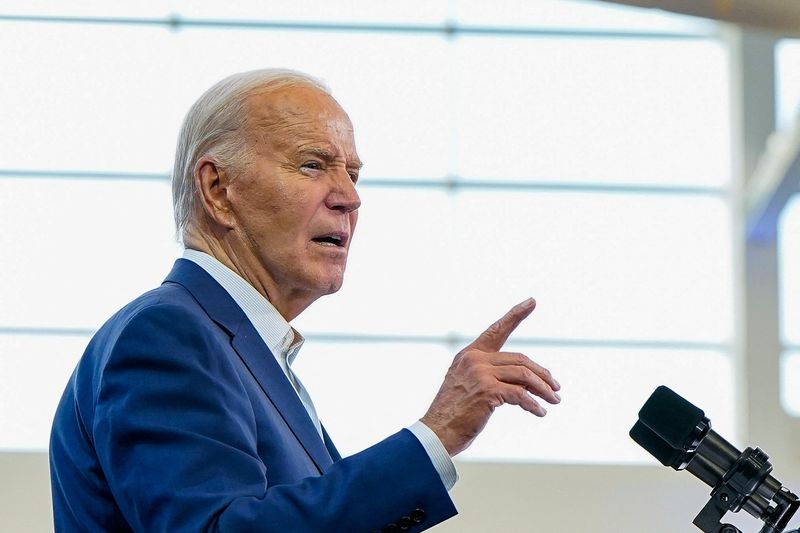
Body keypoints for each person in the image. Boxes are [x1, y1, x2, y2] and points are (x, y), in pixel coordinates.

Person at [49, 69, 562, 532]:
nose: (349, 197)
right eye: (313, 165)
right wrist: (439, 433)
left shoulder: (242, 349)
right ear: (218, 189)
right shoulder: (168, 336)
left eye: (353, 174)